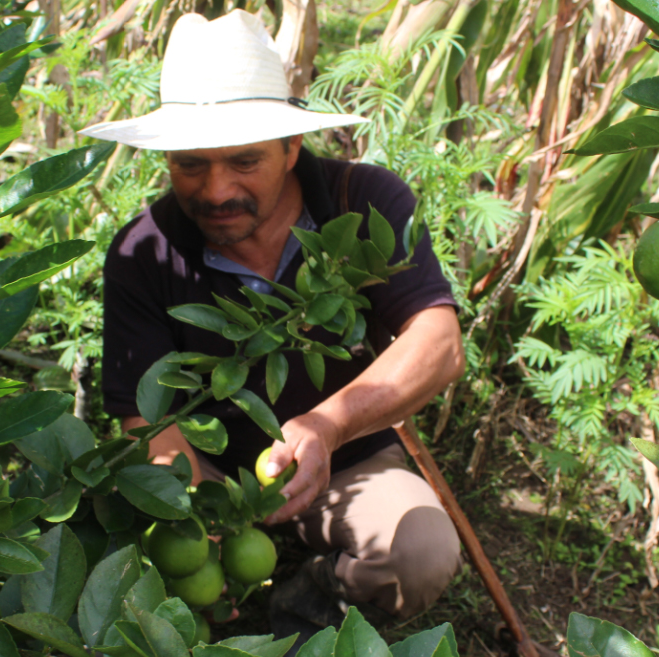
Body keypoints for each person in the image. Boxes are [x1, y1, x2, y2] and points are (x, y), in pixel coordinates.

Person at [81, 8, 466, 643]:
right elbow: (148, 416)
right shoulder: (142, 253)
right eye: (190, 165)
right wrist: (201, 509)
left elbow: (438, 342)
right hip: (208, 475)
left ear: (292, 148)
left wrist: (328, 425)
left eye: (243, 161)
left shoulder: (362, 205)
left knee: (417, 553)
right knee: (144, 576)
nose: (215, 189)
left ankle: (307, 611)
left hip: (346, 458)